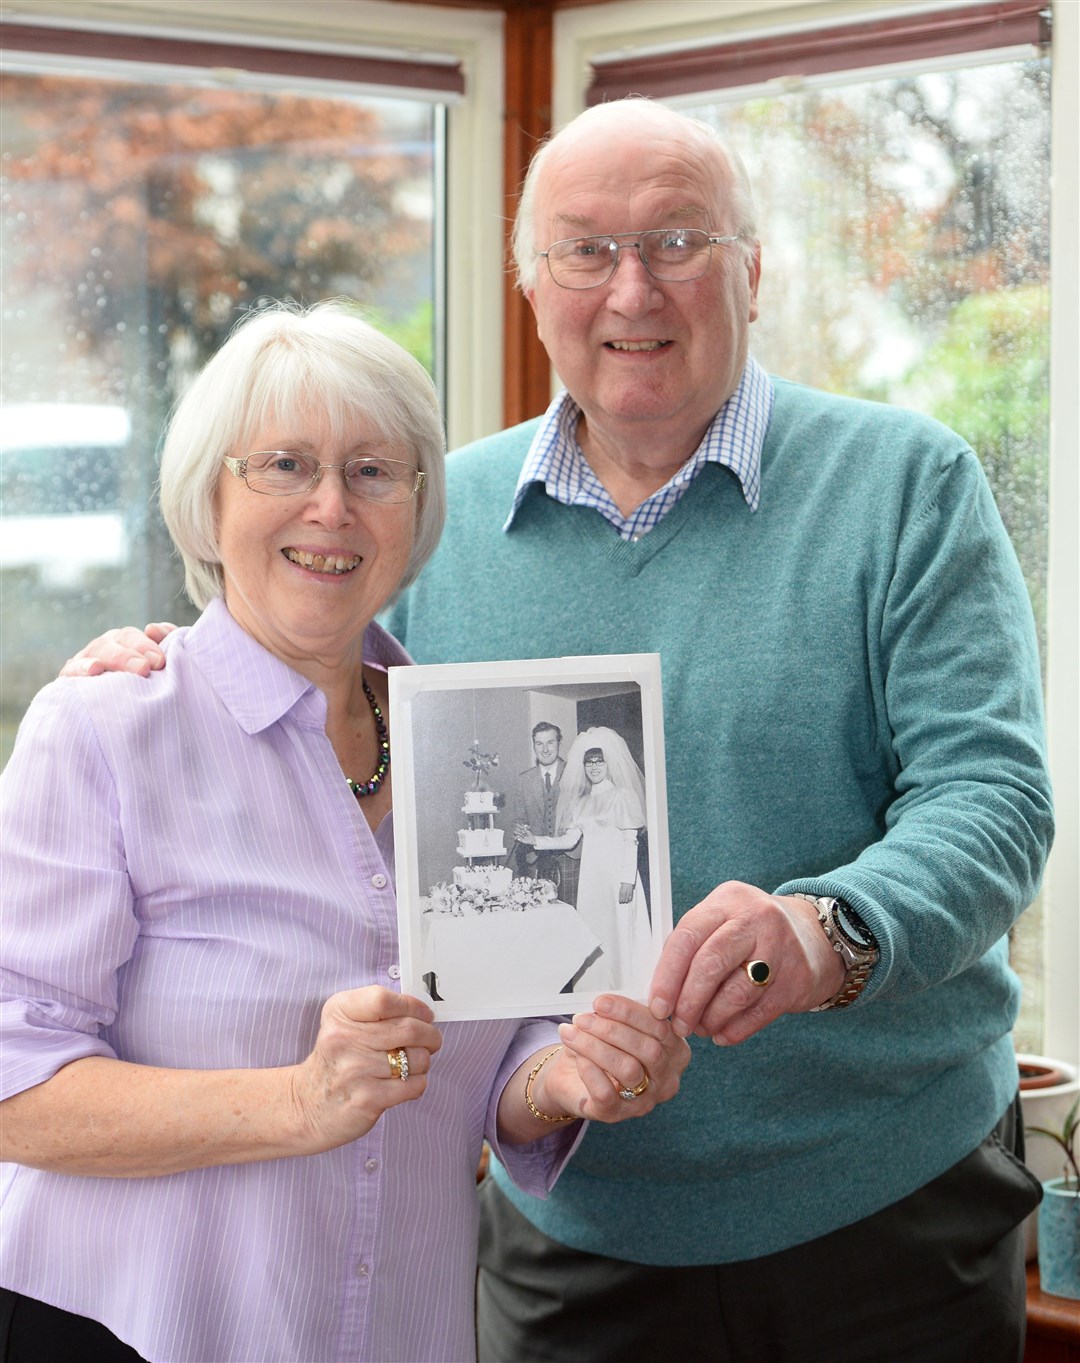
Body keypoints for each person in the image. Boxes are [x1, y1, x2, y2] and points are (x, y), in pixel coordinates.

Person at [59, 98, 1054, 1363]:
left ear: (753, 270)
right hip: (562, 1218)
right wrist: (155, 663)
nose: (631, 286)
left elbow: (993, 798)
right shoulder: (425, 519)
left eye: (679, 241)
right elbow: (298, 707)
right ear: (533, 287)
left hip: (885, 1210)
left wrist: (827, 930)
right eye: (585, 249)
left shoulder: (908, 485)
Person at [0, 300, 691, 1363]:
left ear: (415, 509)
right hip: (124, 1334)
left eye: (375, 471)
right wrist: (296, 1100)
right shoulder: (104, 731)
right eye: (284, 463)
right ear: (208, 498)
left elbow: (492, 1042)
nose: (331, 506)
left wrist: (562, 1077)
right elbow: (15, 1084)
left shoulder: (473, 744)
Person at [516, 728, 649, 992]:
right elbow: (569, 840)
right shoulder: (581, 802)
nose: (594, 767)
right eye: (589, 762)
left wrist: (627, 882)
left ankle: (625, 989)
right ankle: (595, 992)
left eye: (600, 761)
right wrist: (536, 840)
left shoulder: (623, 796)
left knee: (619, 934)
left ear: (609, 763)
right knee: (595, 935)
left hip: (617, 879)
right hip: (592, 880)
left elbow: (629, 841)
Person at [508, 721, 580, 903]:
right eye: (539, 743)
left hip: (569, 859)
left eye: (550, 742)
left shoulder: (575, 774)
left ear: (559, 743)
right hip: (535, 859)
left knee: (571, 915)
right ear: (534, 745)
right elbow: (519, 819)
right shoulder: (523, 780)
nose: (545, 749)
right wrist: (521, 829)